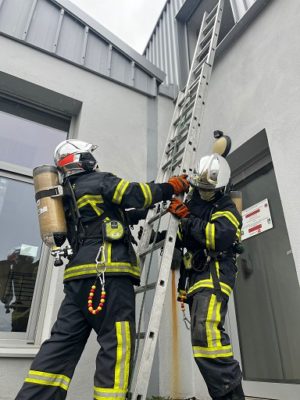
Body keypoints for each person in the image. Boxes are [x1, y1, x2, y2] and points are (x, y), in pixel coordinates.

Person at [15, 139, 189, 400]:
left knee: (61, 345)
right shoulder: (99, 181)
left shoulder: (64, 195)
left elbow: (113, 215)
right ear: (80, 159)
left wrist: (146, 210)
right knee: (116, 344)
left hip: (76, 280)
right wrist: (170, 187)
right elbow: (136, 194)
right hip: (107, 274)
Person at [167, 153, 245, 400]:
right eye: (201, 187)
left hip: (216, 273)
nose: (204, 192)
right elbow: (185, 236)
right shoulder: (193, 202)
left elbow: (217, 237)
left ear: (222, 186)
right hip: (197, 277)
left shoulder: (227, 207)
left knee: (206, 334)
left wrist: (187, 219)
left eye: (210, 188)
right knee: (202, 339)